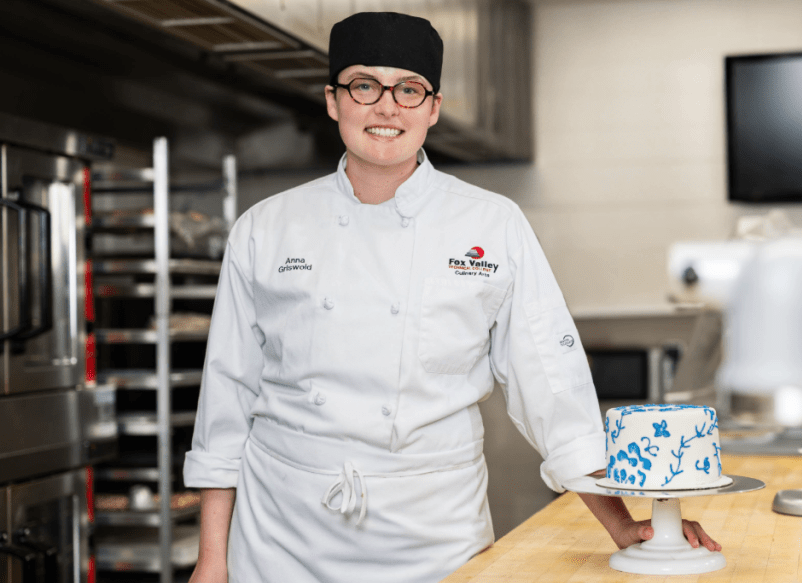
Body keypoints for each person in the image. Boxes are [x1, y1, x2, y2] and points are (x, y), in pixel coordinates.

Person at [184, 11, 719, 583]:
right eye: (364, 85)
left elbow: (551, 387)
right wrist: (212, 558)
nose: (386, 107)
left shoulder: (492, 225)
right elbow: (227, 400)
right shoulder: (265, 228)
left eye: (408, 89)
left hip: (434, 540)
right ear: (333, 100)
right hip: (281, 539)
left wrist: (621, 525)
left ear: (433, 107)